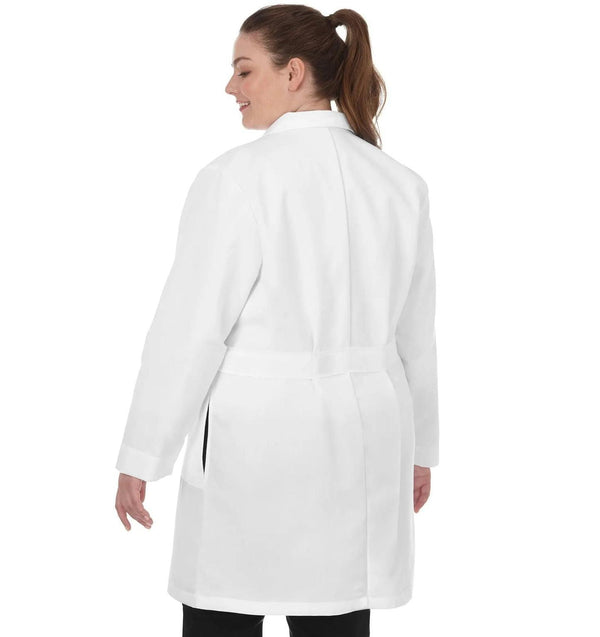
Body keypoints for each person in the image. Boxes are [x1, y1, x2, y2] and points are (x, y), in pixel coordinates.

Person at [114, 5, 439, 636]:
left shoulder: (235, 179)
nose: (230, 87)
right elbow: (416, 337)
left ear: (293, 73)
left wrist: (142, 453)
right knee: (338, 616)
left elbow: (189, 333)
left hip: (255, 445)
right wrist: (421, 448)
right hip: (369, 437)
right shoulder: (400, 184)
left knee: (224, 609)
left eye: (244, 70)